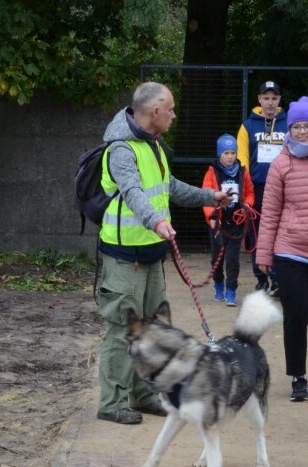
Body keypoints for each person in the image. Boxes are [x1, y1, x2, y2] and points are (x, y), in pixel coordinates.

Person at [96, 82, 231, 425]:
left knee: (151, 328)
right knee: (122, 329)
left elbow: (167, 187)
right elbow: (132, 192)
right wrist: (157, 221)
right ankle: (112, 403)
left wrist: (209, 197)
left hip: (152, 252)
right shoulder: (122, 149)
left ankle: (141, 395)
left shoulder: (153, 144)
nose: (174, 114)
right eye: (170, 109)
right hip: (125, 253)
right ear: (154, 112)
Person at [255, 96, 308, 402]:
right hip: (291, 250)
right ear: (289, 129)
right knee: (296, 314)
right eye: (297, 126)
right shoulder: (281, 163)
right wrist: (264, 254)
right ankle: (297, 376)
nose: (303, 131)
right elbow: (270, 213)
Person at [237, 81, 288, 295]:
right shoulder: (248, 125)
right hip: (256, 187)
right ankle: (261, 279)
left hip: (282, 187)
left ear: (279, 100)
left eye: (274, 98)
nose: (270, 103)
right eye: (266, 98)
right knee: (256, 233)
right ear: (259, 99)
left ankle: (277, 279)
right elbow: (242, 158)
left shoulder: (288, 123)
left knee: (280, 232)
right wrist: (245, 189)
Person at [202, 134, 255, 307]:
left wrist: (247, 205)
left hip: (236, 223)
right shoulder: (212, 172)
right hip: (217, 224)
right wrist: (212, 216)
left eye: (233, 152)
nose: (230, 156)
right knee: (217, 258)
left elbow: (249, 193)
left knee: (233, 259)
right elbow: (206, 195)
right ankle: (218, 284)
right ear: (219, 154)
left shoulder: (243, 171)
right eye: (226, 153)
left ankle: (231, 290)